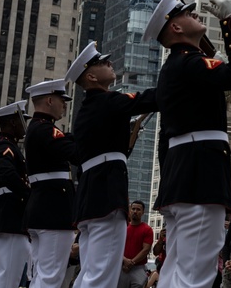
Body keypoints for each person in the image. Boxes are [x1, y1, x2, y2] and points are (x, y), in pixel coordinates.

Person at [146, 0, 231, 288]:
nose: (194, 13)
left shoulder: (175, 68)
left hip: (184, 178)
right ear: (176, 28)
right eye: (186, 13)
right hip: (200, 177)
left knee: (176, 272)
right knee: (196, 273)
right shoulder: (190, 63)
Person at [66, 40, 158, 288]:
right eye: (102, 62)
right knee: (102, 272)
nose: (109, 63)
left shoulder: (89, 109)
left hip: (91, 197)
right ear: (92, 76)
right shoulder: (107, 101)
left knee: (90, 271)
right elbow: (148, 99)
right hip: (106, 195)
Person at [24, 79, 81, 288]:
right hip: (54, 212)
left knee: (41, 274)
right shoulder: (47, 130)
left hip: (42, 210)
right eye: (61, 100)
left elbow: (68, 141)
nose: (64, 105)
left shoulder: (38, 128)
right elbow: (76, 154)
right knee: (51, 276)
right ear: (49, 100)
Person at [0, 100, 31, 288]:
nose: (24, 125)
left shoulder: (8, 146)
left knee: (3, 272)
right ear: (13, 122)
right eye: (22, 120)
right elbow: (7, 175)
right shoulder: (5, 147)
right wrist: (30, 193)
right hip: (10, 215)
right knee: (6, 275)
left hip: (9, 215)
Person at [120, 201, 154, 288]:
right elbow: (116, 247)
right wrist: (124, 260)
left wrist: (131, 262)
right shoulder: (122, 228)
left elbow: (146, 249)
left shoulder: (147, 229)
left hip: (138, 268)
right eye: (133, 209)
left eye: (138, 209)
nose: (135, 211)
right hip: (121, 267)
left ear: (143, 212)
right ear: (130, 210)